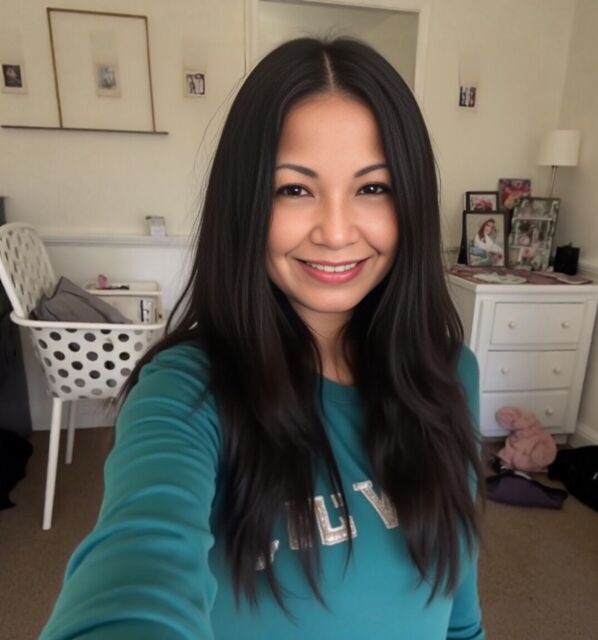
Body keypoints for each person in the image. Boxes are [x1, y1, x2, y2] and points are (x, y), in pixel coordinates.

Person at [40, 37, 485, 640]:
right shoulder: (186, 391)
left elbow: (459, 610)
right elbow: (136, 564)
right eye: (294, 189)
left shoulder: (451, 372)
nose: (335, 232)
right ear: (246, 202)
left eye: (373, 188)